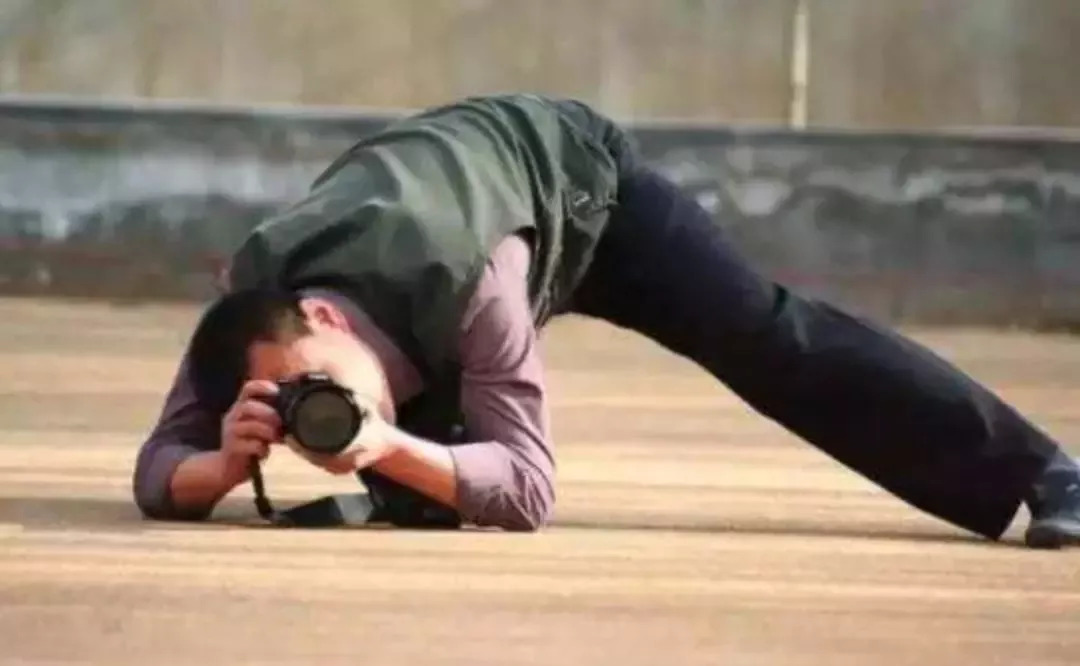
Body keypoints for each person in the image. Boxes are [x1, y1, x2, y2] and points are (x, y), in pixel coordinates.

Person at [131, 92, 1080, 548]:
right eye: (289, 403)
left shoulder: (472, 277)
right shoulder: (251, 310)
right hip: (437, 222)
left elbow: (530, 489)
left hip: (581, 187)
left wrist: (383, 445)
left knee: (766, 336)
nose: (309, 408)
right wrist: (216, 468)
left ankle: (1047, 472)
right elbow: (156, 465)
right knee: (429, 480)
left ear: (327, 316)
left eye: (314, 388)